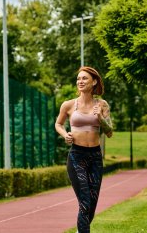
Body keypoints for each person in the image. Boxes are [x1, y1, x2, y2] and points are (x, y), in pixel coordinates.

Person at [55, 66, 113, 233]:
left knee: (92, 204)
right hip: (77, 156)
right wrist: (64, 134)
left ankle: (81, 230)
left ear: (94, 81)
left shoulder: (102, 104)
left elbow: (109, 132)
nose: (80, 81)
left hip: (95, 156)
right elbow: (58, 124)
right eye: (78, 79)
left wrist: (100, 118)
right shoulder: (69, 104)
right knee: (85, 201)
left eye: (84, 78)